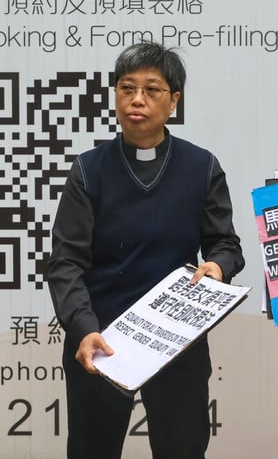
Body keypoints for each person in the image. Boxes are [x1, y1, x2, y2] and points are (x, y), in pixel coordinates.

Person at [47, 42, 245, 459]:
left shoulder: (201, 166)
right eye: (126, 88)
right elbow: (66, 264)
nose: (137, 99)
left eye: (152, 90)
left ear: (174, 100)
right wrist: (83, 329)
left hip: (177, 342)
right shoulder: (88, 169)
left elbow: (225, 243)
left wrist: (219, 269)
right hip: (101, 343)